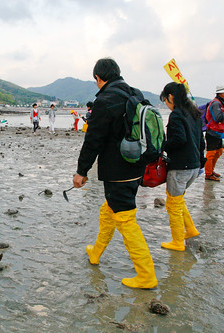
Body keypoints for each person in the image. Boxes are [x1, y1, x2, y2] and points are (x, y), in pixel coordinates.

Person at [73, 58, 157, 289]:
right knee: (108, 209)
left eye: (96, 81)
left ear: (99, 78)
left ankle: (146, 275)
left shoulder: (106, 99)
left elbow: (94, 140)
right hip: (136, 165)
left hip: (118, 171)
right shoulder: (135, 94)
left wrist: (81, 171)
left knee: (126, 219)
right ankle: (96, 252)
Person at [159, 82, 206, 251]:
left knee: (173, 205)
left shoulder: (177, 115)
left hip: (180, 167)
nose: (166, 103)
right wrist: (201, 161)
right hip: (194, 166)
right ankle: (190, 229)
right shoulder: (194, 113)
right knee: (177, 200)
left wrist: (162, 146)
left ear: (171, 97)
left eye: (165, 100)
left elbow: (179, 139)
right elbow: (201, 141)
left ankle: (177, 242)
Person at [204, 85, 224, 181]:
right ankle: (208, 173)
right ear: (221, 93)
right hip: (213, 132)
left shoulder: (220, 103)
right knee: (211, 153)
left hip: (218, 132)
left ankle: (211, 170)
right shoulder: (216, 104)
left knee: (218, 151)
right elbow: (217, 118)